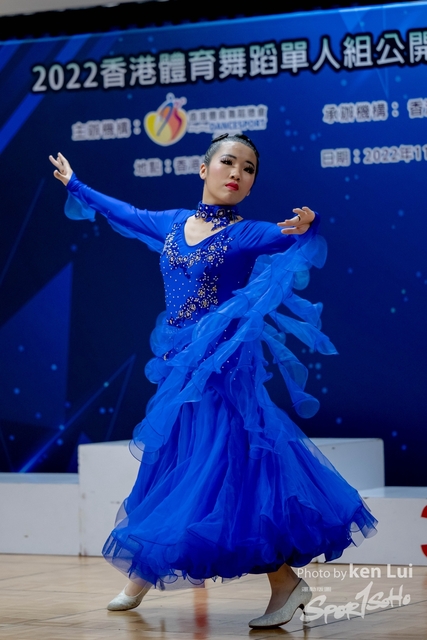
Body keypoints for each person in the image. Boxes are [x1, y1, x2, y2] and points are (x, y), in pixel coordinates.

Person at [49, 134, 377, 629]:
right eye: (228, 162)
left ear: (251, 184)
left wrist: (309, 226)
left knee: (226, 469)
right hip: (181, 370)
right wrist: (77, 185)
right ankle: (146, 568)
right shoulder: (172, 224)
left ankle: (285, 582)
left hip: (223, 374)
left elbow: (294, 239)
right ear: (204, 169)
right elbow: (126, 213)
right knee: (174, 464)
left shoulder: (246, 234)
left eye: (248, 169)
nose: (237, 173)